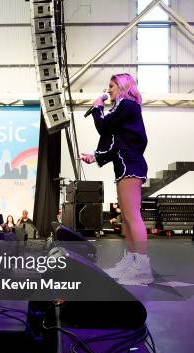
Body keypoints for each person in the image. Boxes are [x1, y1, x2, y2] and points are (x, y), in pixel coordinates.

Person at [80, 73, 151, 285]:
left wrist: (97, 108)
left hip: (130, 164)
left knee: (133, 217)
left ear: (122, 86)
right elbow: (115, 143)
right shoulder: (123, 109)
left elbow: (103, 127)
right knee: (127, 219)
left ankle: (142, 267)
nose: (108, 90)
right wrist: (96, 157)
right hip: (124, 164)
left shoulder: (127, 105)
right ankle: (131, 261)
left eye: (111, 86)